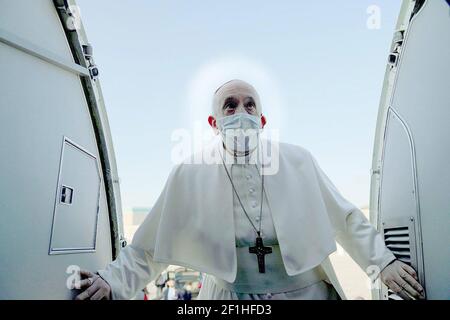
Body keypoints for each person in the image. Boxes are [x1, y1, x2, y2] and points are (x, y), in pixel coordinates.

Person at [73, 79, 424, 300]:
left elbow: (346, 220)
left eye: (249, 104)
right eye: (230, 105)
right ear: (214, 123)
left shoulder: (299, 160)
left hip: (307, 293)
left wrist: (384, 263)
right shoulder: (188, 173)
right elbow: (150, 247)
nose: (241, 111)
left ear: (262, 119)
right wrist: (111, 282)